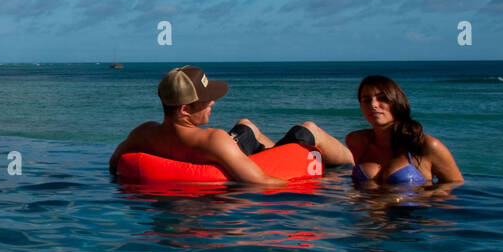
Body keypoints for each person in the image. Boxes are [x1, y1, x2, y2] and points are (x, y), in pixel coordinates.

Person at [109, 65, 350, 185]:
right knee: (309, 128)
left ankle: (261, 141)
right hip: (231, 159)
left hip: (215, 155)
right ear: (185, 109)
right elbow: (261, 182)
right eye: (205, 100)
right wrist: (322, 183)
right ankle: (353, 166)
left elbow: (114, 164)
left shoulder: (144, 132)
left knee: (246, 126)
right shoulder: (213, 139)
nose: (212, 101)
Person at [346, 75, 463, 187]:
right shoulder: (357, 141)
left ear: (396, 101)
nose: (373, 105)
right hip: (365, 207)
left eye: (382, 98)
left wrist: (425, 197)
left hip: (412, 207)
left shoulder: (426, 146)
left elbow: (454, 188)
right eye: (366, 100)